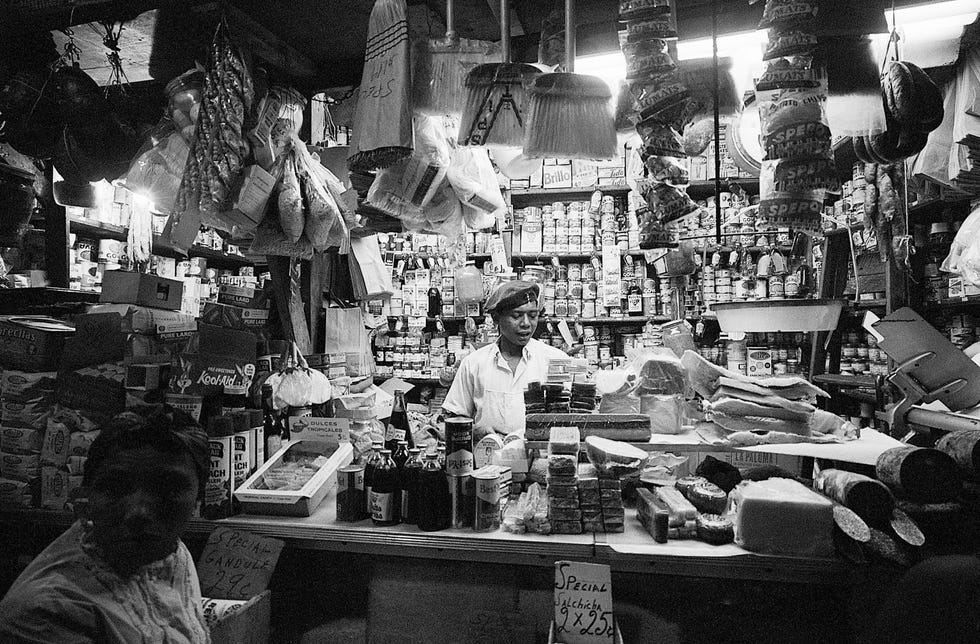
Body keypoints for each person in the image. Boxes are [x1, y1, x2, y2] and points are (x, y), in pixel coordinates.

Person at [0, 405, 211, 644]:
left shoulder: (169, 553)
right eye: (115, 487)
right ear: (87, 494)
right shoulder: (46, 616)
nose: (138, 512)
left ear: (198, 497)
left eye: (167, 489)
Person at [443, 280, 568, 438]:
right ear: (496, 318)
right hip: (487, 458)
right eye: (516, 316)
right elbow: (454, 418)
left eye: (533, 315)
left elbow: (570, 418)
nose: (526, 324)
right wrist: (474, 431)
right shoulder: (474, 363)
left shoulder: (555, 360)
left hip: (539, 459)